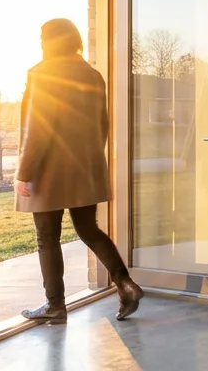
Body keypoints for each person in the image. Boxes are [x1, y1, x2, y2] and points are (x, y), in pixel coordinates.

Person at [15, 18, 143, 323]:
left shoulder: (42, 74)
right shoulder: (92, 75)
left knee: (47, 237)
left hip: (48, 169)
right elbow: (102, 125)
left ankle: (55, 306)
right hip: (84, 166)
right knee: (88, 229)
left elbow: (37, 128)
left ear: (49, 41)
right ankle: (125, 284)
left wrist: (25, 171)